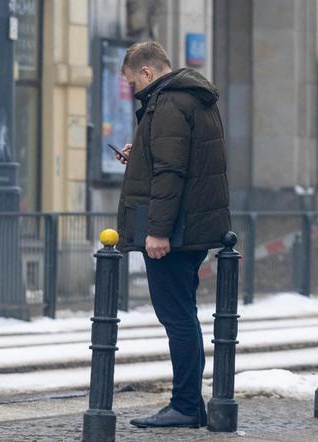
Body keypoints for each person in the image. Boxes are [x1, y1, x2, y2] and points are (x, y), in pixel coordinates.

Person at [115, 41, 231, 429]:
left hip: (175, 233)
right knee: (184, 315)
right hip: (191, 227)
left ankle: (184, 405)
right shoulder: (193, 98)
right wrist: (142, 152)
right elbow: (180, 159)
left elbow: (170, 173)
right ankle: (190, 404)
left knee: (178, 318)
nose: (134, 89)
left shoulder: (167, 104)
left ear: (147, 72)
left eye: (133, 82)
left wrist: (157, 231)